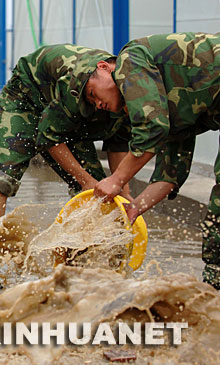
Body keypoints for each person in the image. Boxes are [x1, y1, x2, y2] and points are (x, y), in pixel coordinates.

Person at [84, 32, 220, 289]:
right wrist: (135, 208)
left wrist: (116, 179)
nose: (97, 104)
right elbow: (169, 176)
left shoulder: (130, 59)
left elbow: (151, 129)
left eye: (92, 93)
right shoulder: (167, 105)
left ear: (104, 68)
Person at [0, 44, 132, 227]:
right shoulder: (76, 79)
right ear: (103, 67)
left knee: (98, 191)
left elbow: (118, 145)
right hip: (26, 101)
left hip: (67, 117)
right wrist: (85, 180)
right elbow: (49, 137)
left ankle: (76, 253)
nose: (98, 104)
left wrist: (123, 190)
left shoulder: (131, 97)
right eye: (92, 96)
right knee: (3, 179)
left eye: (98, 101)